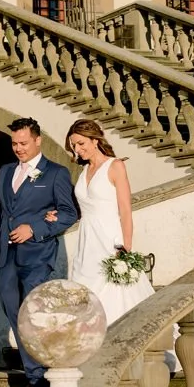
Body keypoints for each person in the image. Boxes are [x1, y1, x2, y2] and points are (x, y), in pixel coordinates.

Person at [0, 117, 77, 387]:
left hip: (38, 256)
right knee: (15, 314)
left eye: (23, 143)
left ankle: (40, 376)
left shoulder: (56, 173)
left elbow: (68, 213)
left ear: (37, 140)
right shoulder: (6, 172)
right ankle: (34, 375)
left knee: (32, 314)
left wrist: (34, 228)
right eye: (14, 143)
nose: (18, 149)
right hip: (6, 257)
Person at [53, 119, 155, 325]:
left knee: (117, 293)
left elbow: (125, 210)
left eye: (81, 144)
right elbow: (84, 208)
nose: (78, 150)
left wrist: (126, 246)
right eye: (74, 146)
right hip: (86, 242)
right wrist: (56, 215)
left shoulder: (115, 166)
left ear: (95, 140)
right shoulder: (83, 172)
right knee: (84, 291)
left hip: (109, 240)